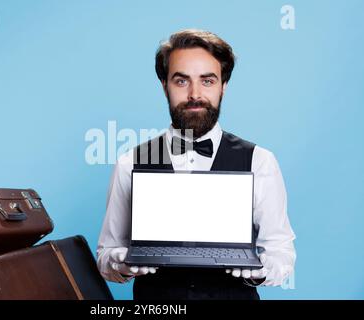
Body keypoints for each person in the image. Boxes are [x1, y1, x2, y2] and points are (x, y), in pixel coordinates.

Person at [97, 29, 296, 300]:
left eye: (207, 81)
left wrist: (259, 270)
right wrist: (122, 263)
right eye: (181, 81)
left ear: (223, 86)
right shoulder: (130, 162)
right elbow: (106, 256)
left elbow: (281, 252)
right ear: (164, 85)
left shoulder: (260, 161)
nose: (195, 94)